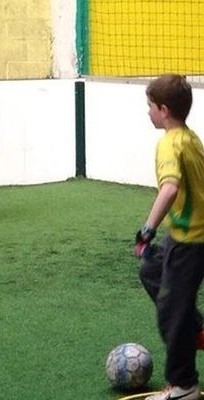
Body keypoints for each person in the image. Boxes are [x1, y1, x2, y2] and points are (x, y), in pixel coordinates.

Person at [135, 74, 204, 400]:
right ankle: (198, 329)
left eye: (149, 106)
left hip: (191, 240)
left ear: (163, 110)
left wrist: (147, 229)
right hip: (185, 236)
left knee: (171, 312)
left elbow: (170, 187)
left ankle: (184, 386)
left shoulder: (168, 143)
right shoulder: (191, 138)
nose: (147, 112)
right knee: (150, 269)